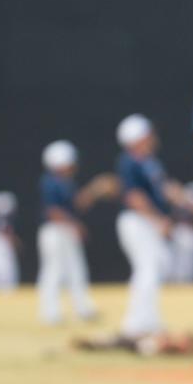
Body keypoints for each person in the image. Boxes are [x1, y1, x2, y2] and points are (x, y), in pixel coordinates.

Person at [37, 140, 113, 324]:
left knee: (76, 270)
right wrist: (74, 225)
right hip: (55, 231)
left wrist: (94, 191)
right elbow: (53, 211)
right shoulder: (50, 182)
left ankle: (83, 308)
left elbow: (77, 203)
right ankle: (50, 313)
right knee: (54, 271)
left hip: (65, 230)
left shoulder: (65, 183)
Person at [115, 114, 173, 338]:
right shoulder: (129, 161)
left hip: (146, 220)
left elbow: (165, 188)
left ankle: (148, 321)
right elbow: (134, 196)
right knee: (147, 268)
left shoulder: (149, 162)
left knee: (156, 266)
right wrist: (157, 220)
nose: (152, 137)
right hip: (137, 220)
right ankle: (135, 324)